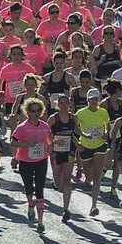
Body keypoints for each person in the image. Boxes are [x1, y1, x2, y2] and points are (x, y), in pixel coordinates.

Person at [11, 98, 52, 231]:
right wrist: (27, 144)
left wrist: (50, 147)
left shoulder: (45, 126)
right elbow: (13, 143)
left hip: (41, 160)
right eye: (32, 110)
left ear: (41, 111)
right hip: (25, 161)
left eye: (38, 110)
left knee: (40, 190)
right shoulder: (22, 127)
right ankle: (30, 204)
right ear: (27, 112)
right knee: (29, 188)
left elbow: (49, 139)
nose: (35, 113)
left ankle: (40, 222)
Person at [75, 88, 110, 216]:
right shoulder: (81, 113)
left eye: (96, 99)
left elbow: (107, 125)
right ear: (87, 100)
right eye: (92, 99)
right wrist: (83, 135)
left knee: (97, 177)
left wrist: (106, 134)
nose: (94, 101)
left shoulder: (103, 112)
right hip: (85, 146)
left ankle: (94, 205)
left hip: (100, 145)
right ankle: (87, 179)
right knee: (89, 177)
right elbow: (74, 127)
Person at [48, 94, 78, 222]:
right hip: (56, 152)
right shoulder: (53, 118)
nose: (64, 105)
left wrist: (84, 137)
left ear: (69, 104)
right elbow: (46, 133)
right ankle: (55, 183)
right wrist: (50, 144)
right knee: (58, 181)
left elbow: (76, 131)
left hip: (69, 151)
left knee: (67, 180)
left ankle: (66, 209)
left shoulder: (73, 117)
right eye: (61, 103)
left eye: (66, 103)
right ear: (57, 105)